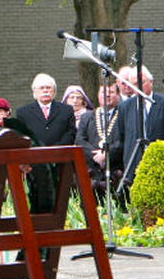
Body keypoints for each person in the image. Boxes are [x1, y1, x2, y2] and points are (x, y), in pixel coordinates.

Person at [15, 73, 76, 212]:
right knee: (38, 198)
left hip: (60, 161)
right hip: (35, 162)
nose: (45, 91)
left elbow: (71, 133)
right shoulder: (23, 113)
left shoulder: (66, 110)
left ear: (54, 91)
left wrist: (55, 150)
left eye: (49, 88)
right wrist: (41, 150)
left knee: (61, 199)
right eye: (41, 88)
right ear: (34, 92)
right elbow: (23, 135)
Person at [76, 82, 123, 204]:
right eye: (103, 92)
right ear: (98, 95)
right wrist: (95, 155)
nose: (107, 96)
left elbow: (124, 140)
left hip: (115, 171)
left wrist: (106, 154)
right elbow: (80, 140)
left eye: (111, 92)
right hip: (92, 172)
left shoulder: (123, 116)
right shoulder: (87, 117)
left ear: (118, 95)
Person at [117, 65, 164, 185]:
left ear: (151, 82)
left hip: (158, 163)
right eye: (134, 84)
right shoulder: (125, 107)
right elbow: (122, 137)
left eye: (141, 83)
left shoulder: (161, 103)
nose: (137, 87)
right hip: (133, 165)